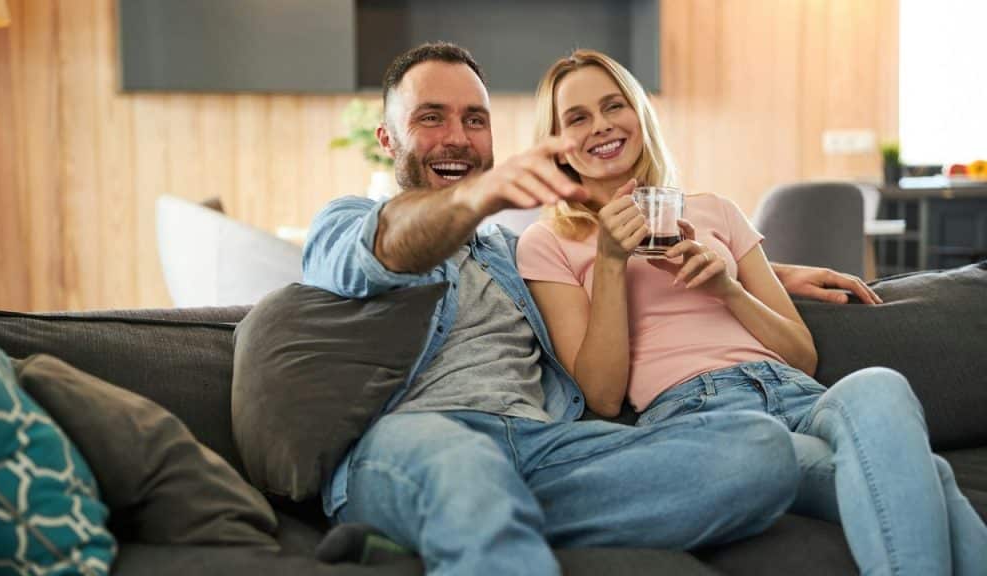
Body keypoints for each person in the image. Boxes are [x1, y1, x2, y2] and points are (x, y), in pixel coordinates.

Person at [302, 42, 806, 576]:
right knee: (465, 467)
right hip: (420, 439)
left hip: (544, 448)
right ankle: (459, 515)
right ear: (387, 139)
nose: (458, 137)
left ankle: (447, 528)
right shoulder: (349, 221)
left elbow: (589, 279)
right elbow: (390, 245)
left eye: (475, 119)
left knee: (761, 452)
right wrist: (478, 196)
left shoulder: (510, 252)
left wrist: (773, 274)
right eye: (431, 117)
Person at [516, 49, 987, 576]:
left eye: (613, 105)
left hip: (801, 397)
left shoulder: (716, 211)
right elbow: (602, 397)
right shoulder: (548, 242)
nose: (601, 126)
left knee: (880, 384)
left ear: (639, 115)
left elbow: (801, 355)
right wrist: (609, 260)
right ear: (556, 143)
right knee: (927, 475)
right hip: (707, 419)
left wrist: (727, 287)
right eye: (577, 118)